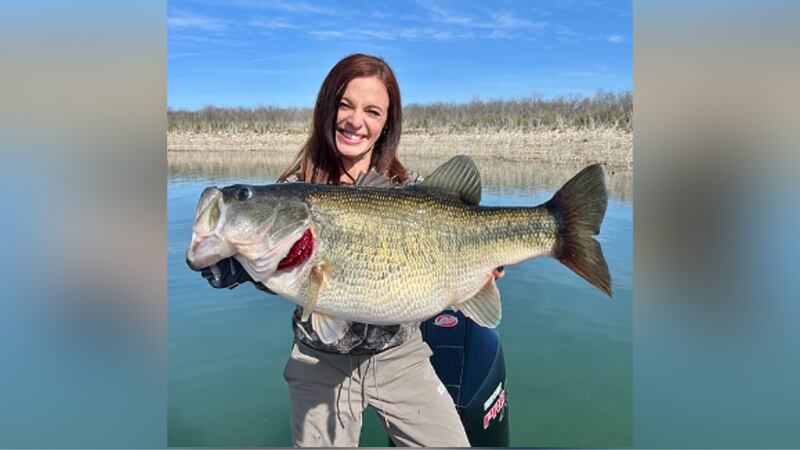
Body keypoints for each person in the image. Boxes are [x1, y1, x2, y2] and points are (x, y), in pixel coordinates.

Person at [199, 54, 501, 447]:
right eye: (345, 104)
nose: (356, 121)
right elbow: (287, 271)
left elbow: (464, 243)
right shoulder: (295, 186)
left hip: (400, 356)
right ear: (327, 108)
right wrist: (236, 264)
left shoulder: (410, 186)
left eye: (372, 111)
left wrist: (484, 265)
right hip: (319, 361)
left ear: (386, 123)